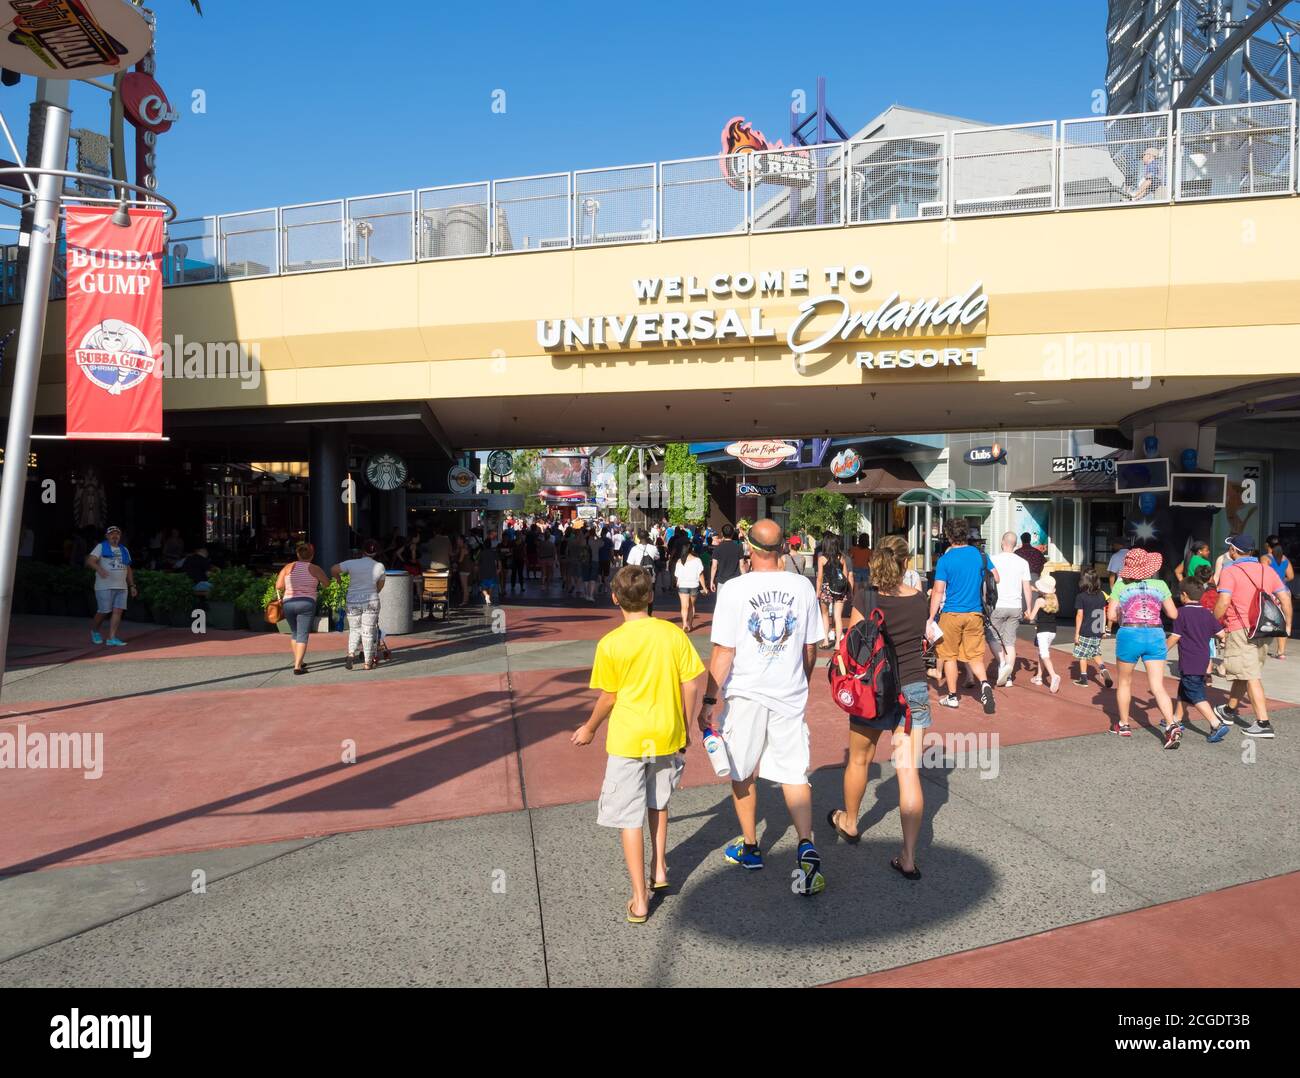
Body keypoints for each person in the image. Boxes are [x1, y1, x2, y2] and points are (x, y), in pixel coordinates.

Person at [573, 566, 706, 923]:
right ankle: (659, 866)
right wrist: (685, 726)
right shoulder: (671, 634)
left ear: (615, 598)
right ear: (651, 596)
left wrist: (589, 728)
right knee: (658, 801)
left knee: (628, 815)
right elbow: (691, 685)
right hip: (665, 732)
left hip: (629, 737)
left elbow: (608, 697)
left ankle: (639, 898)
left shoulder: (611, 643)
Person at [700, 519, 825, 895]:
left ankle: (751, 846)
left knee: (743, 770)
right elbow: (810, 647)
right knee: (793, 773)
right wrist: (799, 679)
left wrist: (708, 699)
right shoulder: (802, 586)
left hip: (747, 695)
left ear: (749, 549)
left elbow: (724, 650)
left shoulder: (735, 589)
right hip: (789, 693)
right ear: (783, 549)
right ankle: (806, 848)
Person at [826, 534, 929, 880]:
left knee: (859, 759)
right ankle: (909, 856)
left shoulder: (866, 596)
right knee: (909, 771)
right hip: (912, 689)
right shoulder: (920, 599)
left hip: (873, 688)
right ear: (904, 563)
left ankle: (850, 822)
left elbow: (853, 645)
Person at [1213, 534, 1293, 738]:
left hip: (1241, 629)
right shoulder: (1267, 569)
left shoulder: (1230, 571)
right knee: (1247, 669)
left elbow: (1223, 601)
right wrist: (1289, 625)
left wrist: (1212, 623)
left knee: (1250, 675)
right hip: (1264, 628)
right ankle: (1229, 710)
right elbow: (1285, 597)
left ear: (1233, 551)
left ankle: (1263, 722)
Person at [1106, 548, 1181, 746]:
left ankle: (1123, 725)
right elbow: (1173, 614)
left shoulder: (1120, 586)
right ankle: (1171, 724)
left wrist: (1124, 611)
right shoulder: (1160, 584)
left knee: (1124, 682)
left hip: (1129, 634)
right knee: (1157, 685)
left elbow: (1111, 616)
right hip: (1155, 634)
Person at [928, 518, 998, 714]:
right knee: (975, 656)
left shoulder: (945, 560)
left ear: (949, 536)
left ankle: (952, 696)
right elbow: (996, 577)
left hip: (951, 613)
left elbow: (938, 591)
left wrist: (931, 617)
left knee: (949, 656)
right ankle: (984, 685)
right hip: (974, 613)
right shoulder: (979, 555)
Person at [1167, 577, 1232, 743]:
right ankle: (1176, 719)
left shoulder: (1180, 613)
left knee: (1195, 694)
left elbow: (1175, 637)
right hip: (1203, 660)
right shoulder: (1206, 613)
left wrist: (1160, 651)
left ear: (1184, 595)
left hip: (1189, 660)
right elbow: (1221, 634)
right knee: (1185, 689)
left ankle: (1216, 723)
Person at [275, 542, 330, 675]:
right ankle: (298, 666)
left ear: (298, 554)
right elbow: (327, 583)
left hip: (288, 603)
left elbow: (279, 585)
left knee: (294, 632)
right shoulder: (315, 568)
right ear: (312, 555)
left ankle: (298, 660)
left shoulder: (288, 567)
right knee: (302, 634)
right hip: (307, 603)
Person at [333, 539, 386, 671]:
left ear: (362, 551)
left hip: (353, 601)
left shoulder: (351, 563)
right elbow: (380, 586)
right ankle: (368, 663)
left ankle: (351, 653)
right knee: (368, 631)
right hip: (371, 601)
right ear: (376, 553)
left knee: (354, 629)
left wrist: (339, 579)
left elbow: (333, 569)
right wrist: (373, 591)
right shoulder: (379, 566)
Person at [989, 530, 1032, 687]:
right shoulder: (1022, 562)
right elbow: (1026, 587)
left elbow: (986, 583)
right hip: (1015, 606)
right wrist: (1029, 607)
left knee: (992, 636)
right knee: (1010, 642)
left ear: (1002, 542)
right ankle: (1008, 674)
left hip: (998, 605)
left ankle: (1002, 663)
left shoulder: (993, 559)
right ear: (1016, 545)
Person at [86, 525, 138, 646]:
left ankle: (112, 637)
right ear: (107, 536)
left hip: (121, 586)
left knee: (118, 611)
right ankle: (94, 631)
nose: (115, 536)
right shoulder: (101, 546)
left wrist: (132, 585)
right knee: (104, 611)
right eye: (112, 534)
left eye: (117, 534)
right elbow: (90, 560)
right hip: (104, 586)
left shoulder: (124, 549)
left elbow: (128, 568)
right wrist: (99, 569)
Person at [1072, 570, 1113, 688]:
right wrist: (1103, 629)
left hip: (1085, 630)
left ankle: (1084, 679)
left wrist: (1076, 634)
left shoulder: (1081, 597)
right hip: (1097, 630)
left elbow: (1079, 615)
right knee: (1095, 652)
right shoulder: (1102, 595)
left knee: (1083, 655)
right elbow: (1103, 613)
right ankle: (1103, 669)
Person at [1024, 572, 1062, 693]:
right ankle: (1039, 677)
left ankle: (1053, 675)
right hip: (1052, 631)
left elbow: (1031, 618)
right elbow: (1047, 593)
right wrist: (1035, 589)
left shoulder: (1039, 601)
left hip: (1042, 631)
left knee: (1044, 654)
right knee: (1041, 653)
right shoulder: (1054, 599)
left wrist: (1026, 615)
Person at [815, 532, 852, 650]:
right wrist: (847, 590)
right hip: (839, 590)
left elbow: (820, 577)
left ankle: (826, 640)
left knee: (825, 614)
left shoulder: (822, 559)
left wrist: (818, 591)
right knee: (838, 616)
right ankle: (837, 644)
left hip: (826, 588)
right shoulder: (842, 558)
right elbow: (845, 575)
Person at [1261, 536, 1294, 659]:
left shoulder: (1265, 558)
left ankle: (1261, 648)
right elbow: (1290, 576)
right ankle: (1281, 652)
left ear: (1266, 545)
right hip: (1284, 591)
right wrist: (1281, 581)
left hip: (1271, 592)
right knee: (1283, 620)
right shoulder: (1285, 559)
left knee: (1265, 619)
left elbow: (1263, 575)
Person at [672, 539, 707, 632]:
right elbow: (700, 575)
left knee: (684, 606)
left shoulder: (680, 561)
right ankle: (690, 624)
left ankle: (684, 624)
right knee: (691, 606)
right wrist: (704, 587)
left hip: (683, 585)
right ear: (692, 549)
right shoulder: (697, 560)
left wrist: (677, 583)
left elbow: (677, 575)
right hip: (694, 585)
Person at [709, 523, 744, 593]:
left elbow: (714, 566)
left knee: (721, 603)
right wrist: (745, 580)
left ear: (722, 534)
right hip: (735, 581)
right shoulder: (739, 547)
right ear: (733, 534)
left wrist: (711, 581)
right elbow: (742, 566)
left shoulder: (717, 548)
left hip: (722, 581)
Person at [478, 530, 501, 606]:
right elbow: (498, 561)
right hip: (492, 571)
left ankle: (486, 595)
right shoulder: (493, 552)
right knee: (491, 585)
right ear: (490, 545)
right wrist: (499, 568)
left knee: (483, 587)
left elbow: (478, 562)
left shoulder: (481, 553)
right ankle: (489, 597)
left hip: (483, 571)